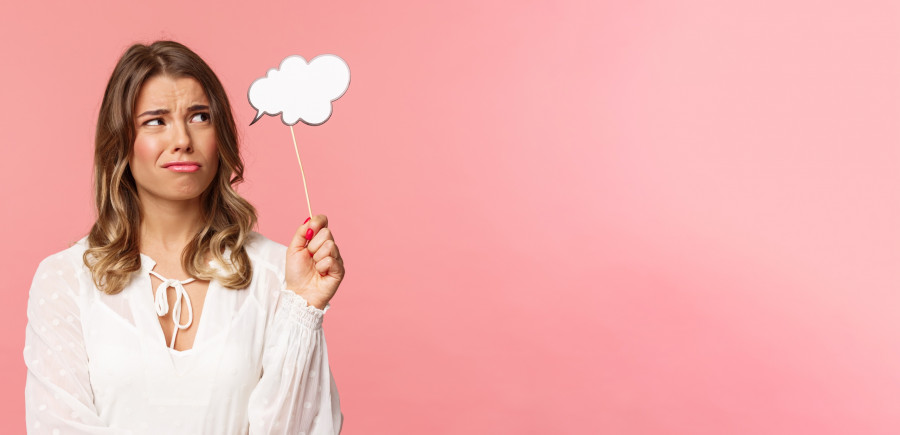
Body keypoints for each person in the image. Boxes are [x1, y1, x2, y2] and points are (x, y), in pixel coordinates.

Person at [23, 40, 344, 434]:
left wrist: (304, 307)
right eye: (156, 121)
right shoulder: (65, 279)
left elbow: (302, 428)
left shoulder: (281, 274)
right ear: (120, 140)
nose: (182, 140)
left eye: (199, 117)